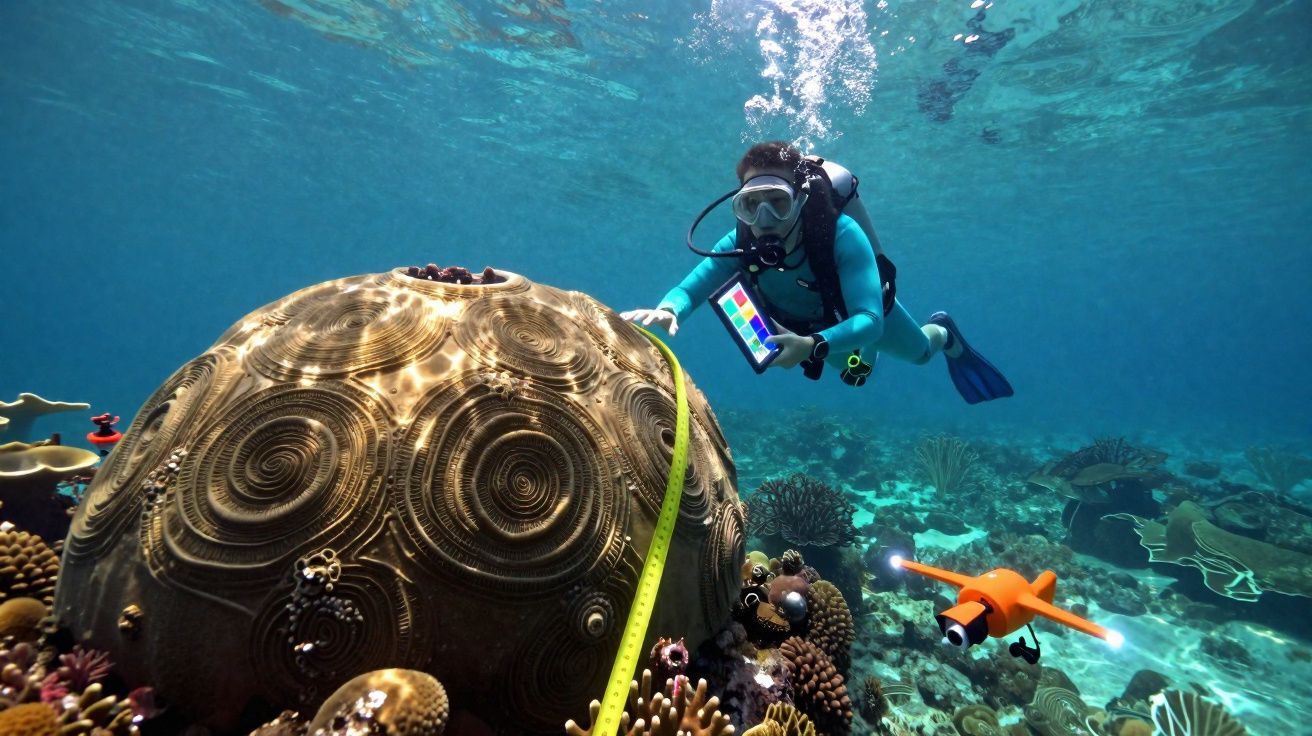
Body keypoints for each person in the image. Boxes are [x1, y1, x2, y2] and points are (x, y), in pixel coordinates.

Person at [621, 140, 1012, 403]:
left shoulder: (842, 235)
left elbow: (871, 320)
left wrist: (811, 346)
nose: (764, 219)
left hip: (858, 314)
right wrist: (670, 308)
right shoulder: (737, 242)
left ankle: (944, 332)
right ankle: (856, 358)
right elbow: (690, 289)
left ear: (800, 200)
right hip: (814, 330)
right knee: (853, 374)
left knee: (921, 354)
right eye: (750, 206)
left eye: (778, 203)